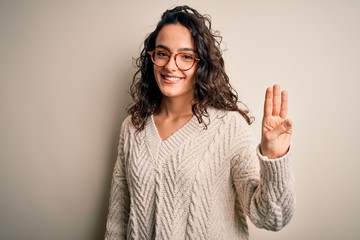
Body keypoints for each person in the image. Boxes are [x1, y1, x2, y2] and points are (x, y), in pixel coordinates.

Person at [105, 5, 295, 240]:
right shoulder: (133, 127)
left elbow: (271, 218)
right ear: (152, 58)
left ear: (201, 64)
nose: (170, 65)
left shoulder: (228, 127)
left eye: (185, 56)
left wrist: (274, 157)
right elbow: (118, 222)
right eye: (162, 53)